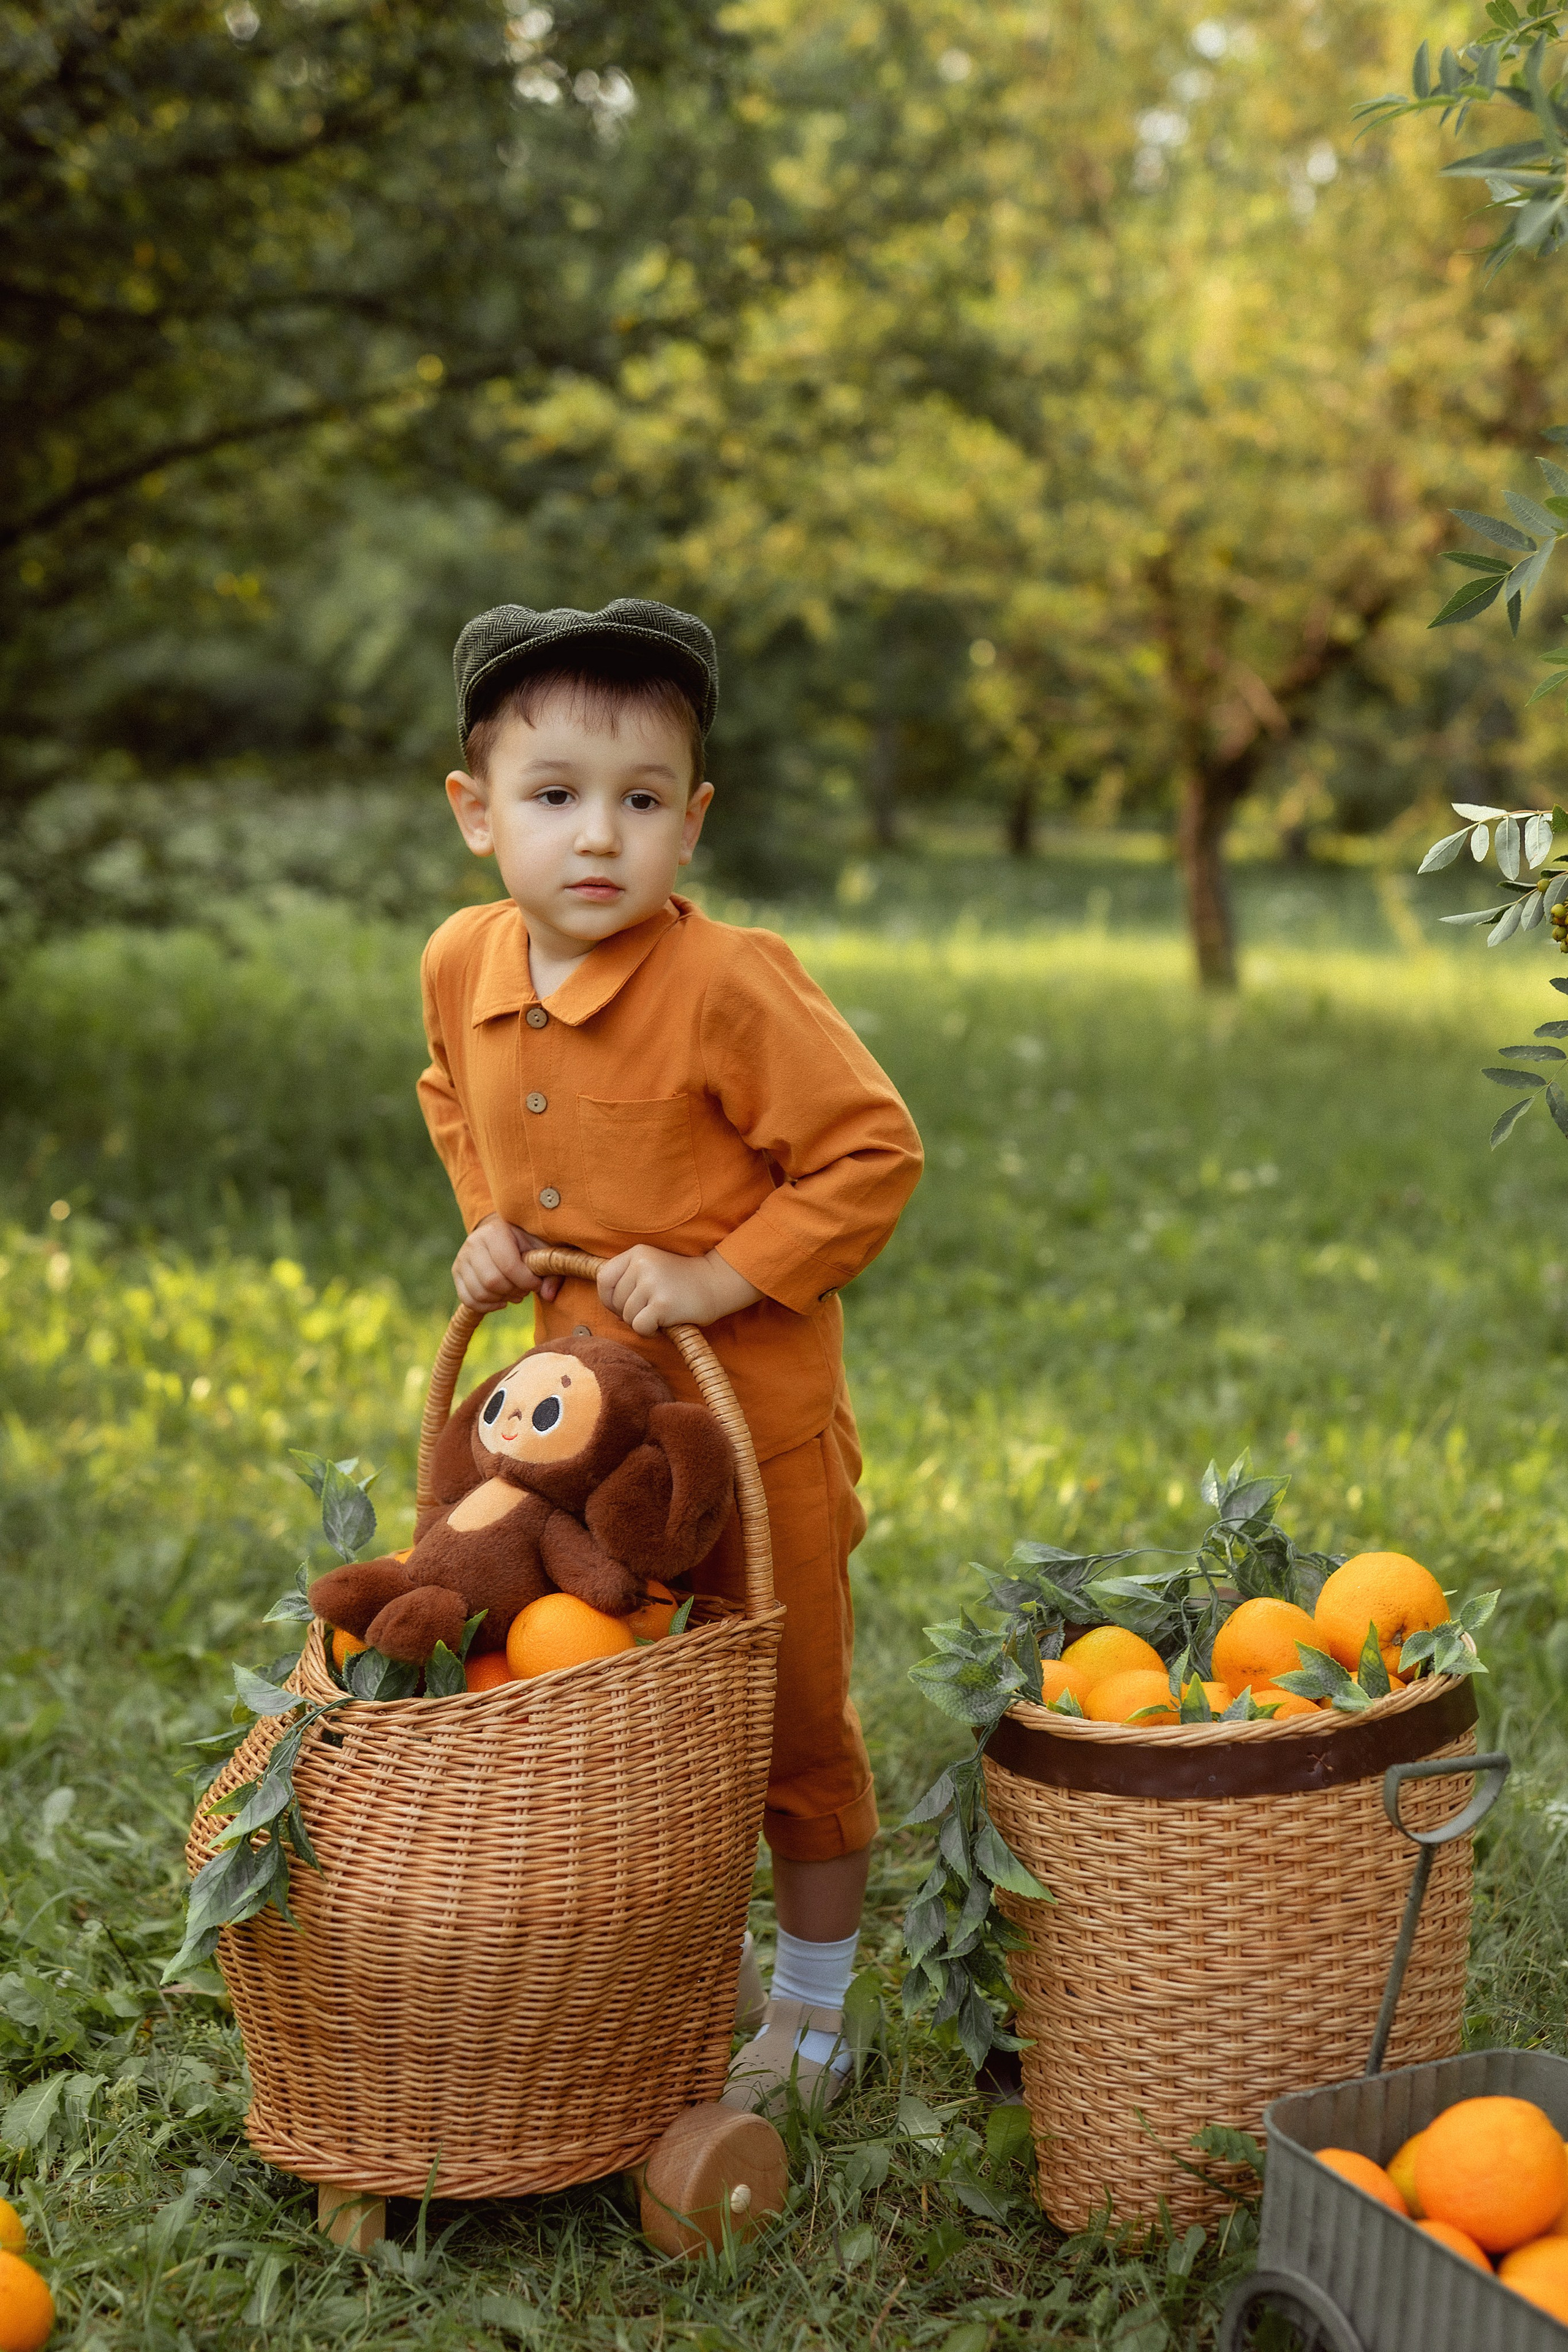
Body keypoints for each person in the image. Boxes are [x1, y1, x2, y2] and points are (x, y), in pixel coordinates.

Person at [417, 597, 924, 2110]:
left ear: (690, 823)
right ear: (474, 813)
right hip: (573, 1440)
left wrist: (721, 1273)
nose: (596, 838)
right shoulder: (462, 960)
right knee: (600, 1707)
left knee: (782, 1715)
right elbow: (454, 1092)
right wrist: (492, 1227)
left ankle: (815, 2011)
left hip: (749, 1441)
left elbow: (868, 1154)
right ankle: (632, 1971)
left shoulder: (728, 986)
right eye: (553, 797)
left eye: (638, 803)